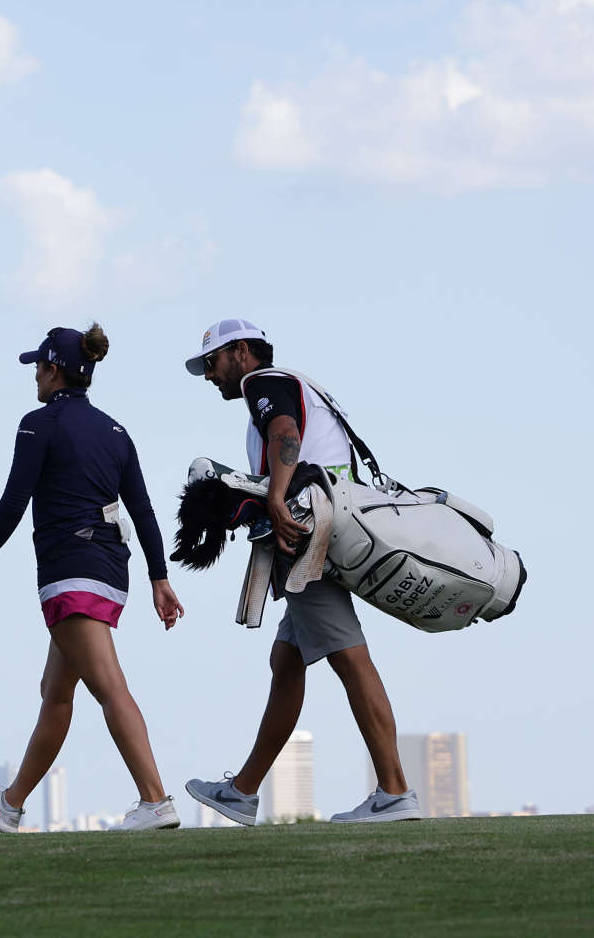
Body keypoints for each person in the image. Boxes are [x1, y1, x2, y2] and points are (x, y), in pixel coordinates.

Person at [180, 318, 424, 825]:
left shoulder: (261, 383)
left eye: (212, 363)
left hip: (309, 534)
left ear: (241, 352)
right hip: (331, 526)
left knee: (351, 658)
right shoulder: (294, 384)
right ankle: (242, 791)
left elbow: (286, 435)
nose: (209, 376)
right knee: (286, 661)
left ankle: (396, 792)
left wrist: (273, 495)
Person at [0, 324, 186, 833]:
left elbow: (14, 501)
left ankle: (155, 800)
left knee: (108, 687)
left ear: (53, 369)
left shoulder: (39, 424)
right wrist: (158, 579)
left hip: (69, 570)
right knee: (55, 691)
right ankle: (10, 804)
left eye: (38, 366)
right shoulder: (116, 431)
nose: (34, 375)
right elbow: (142, 510)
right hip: (109, 568)